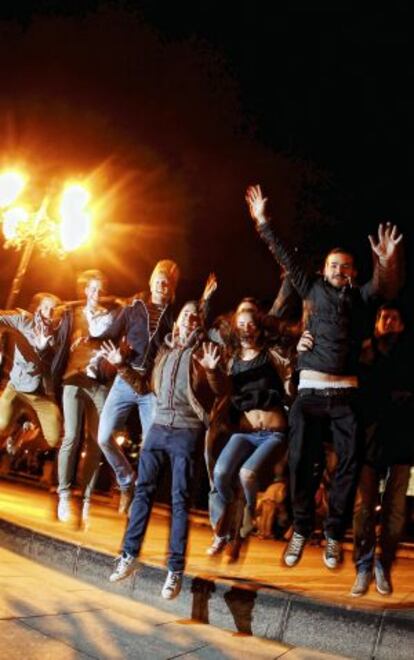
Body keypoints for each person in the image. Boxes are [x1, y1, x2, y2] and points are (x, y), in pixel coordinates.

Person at [246, 184, 402, 569]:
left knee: (349, 462)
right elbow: (282, 253)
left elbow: (385, 286)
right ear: (324, 270)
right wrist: (263, 221)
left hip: (345, 395)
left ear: (352, 273)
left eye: (346, 267)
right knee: (301, 459)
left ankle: (333, 534)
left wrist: (386, 260)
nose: (339, 270)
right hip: (311, 394)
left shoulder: (362, 297)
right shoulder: (310, 286)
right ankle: (301, 527)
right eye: (333, 265)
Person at [107, 301, 226, 599]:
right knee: (143, 491)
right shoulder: (164, 352)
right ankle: (129, 556)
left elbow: (220, 391)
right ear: (177, 323)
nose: (190, 319)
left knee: (179, 501)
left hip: (186, 431)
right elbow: (144, 386)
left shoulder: (205, 352)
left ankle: (175, 571)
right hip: (158, 428)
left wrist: (212, 372)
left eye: (195, 316)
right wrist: (121, 365)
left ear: (198, 324)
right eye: (185, 314)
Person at [205, 307, 293, 557]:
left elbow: (289, 381)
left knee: (246, 473)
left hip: (274, 434)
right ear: (236, 329)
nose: (246, 328)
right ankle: (226, 525)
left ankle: (249, 515)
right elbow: (220, 389)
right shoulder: (231, 362)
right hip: (246, 434)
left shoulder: (271, 355)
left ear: (258, 329)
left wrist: (290, 383)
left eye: (251, 324)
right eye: (241, 324)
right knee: (220, 474)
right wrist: (212, 370)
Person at [96, 259, 180, 513]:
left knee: (151, 446)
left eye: (167, 282)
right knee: (102, 437)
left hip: (152, 387)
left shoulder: (173, 318)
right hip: (125, 377)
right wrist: (90, 335)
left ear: (172, 289)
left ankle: (140, 497)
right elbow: (110, 333)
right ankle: (125, 480)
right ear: (151, 282)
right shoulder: (134, 307)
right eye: (159, 279)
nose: (162, 284)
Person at [351, 303, 414, 596]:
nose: (388, 321)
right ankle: (363, 566)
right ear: (376, 323)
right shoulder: (364, 352)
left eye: (394, 317)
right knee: (364, 508)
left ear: (401, 324)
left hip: (402, 440)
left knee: (395, 511)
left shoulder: (409, 355)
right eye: (383, 317)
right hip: (367, 440)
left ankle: (382, 564)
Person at [56, 270, 117, 525]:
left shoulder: (110, 317)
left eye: (100, 289)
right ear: (85, 290)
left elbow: (114, 345)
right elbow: (56, 337)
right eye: (92, 289)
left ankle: (87, 498)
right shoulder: (72, 314)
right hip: (73, 379)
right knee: (71, 436)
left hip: (98, 384)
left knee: (97, 439)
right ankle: (64, 493)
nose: (96, 294)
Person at [0, 293, 63, 450]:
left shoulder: (60, 335)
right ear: (38, 309)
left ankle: (22, 435)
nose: (49, 313)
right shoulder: (23, 321)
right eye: (46, 308)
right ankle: (14, 428)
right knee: (1, 425)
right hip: (16, 387)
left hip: (42, 394)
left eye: (53, 310)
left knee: (54, 440)